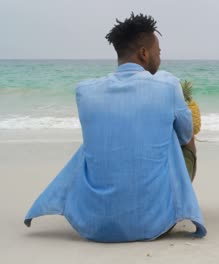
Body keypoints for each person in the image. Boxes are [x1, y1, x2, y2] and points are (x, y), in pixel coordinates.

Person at [24, 13, 206, 242]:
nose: (160, 58)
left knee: (103, 140)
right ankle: (171, 205)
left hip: (95, 225)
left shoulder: (85, 91)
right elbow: (186, 134)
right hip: (153, 224)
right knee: (184, 136)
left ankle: (99, 204)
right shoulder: (168, 85)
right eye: (158, 53)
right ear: (144, 53)